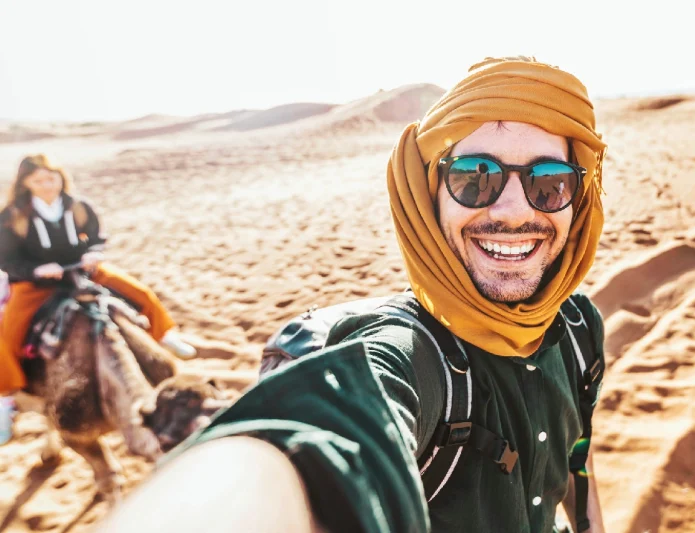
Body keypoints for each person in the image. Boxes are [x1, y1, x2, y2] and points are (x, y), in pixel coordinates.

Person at [98, 56, 608, 533]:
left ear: (577, 202)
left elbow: (575, 458)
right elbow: (308, 441)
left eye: (550, 183)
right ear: (429, 197)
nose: (516, 211)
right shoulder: (411, 357)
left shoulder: (580, 327)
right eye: (475, 179)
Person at [0, 154, 197, 445]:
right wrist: (36, 269)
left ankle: (164, 335)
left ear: (60, 177)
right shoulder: (14, 215)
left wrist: (93, 252)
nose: (46, 185)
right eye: (38, 180)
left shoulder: (77, 206)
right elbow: (6, 258)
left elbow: (95, 235)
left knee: (140, 294)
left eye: (51, 178)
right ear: (26, 183)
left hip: (82, 271)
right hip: (35, 284)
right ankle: (6, 400)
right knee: (6, 337)